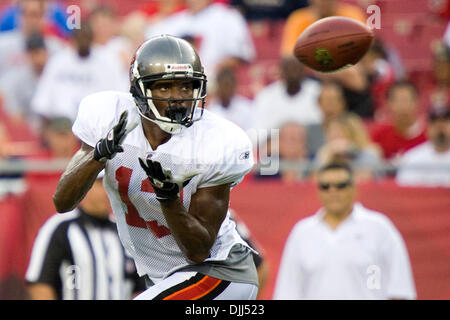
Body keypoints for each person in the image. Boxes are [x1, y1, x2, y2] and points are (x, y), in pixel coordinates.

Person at [52, 35, 259, 300]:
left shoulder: (216, 141)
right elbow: (62, 201)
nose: (179, 98)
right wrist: (99, 155)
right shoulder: (110, 116)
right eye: (165, 87)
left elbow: (199, 251)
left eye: (187, 87)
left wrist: (169, 199)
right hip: (167, 279)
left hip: (220, 274)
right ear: (140, 91)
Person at [273, 161, 417, 300]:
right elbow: (288, 292)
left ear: (353, 188)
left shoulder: (379, 228)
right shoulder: (302, 233)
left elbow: (400, 289)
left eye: (340, 186)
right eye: (325, 186)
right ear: (318, 191)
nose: (333, 191)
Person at [25, 171, 146, 299]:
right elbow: (40, 284)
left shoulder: (124, 232)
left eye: (111, 185)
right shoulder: (60, 228)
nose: (109, 191)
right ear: (84, 187)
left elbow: (138, 289)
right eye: (101, 184)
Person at [30, 22, 128, 125]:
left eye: (86, 37)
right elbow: (42, 103)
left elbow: (122, 98)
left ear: (92, 38)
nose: (83, 41)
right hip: (63, 126)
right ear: (73, 40)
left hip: (99, 125)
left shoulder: (109, 60)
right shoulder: (59, 60)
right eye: (80, 38)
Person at [145, 0, 255, 79]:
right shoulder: (173, 21)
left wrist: (210, 71)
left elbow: (238, 56)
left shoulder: (228, 17)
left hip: (214, 80)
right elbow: (149, 48)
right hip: (176, 79)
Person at [253, 55, 322, 131]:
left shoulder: (318, 91)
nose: (292, 73)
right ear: (281, 71)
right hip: (277, 141)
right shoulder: (266, 95)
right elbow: (259, 130)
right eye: (288, 69)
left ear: (303, 70)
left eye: (295, 68)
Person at [280, 0, 366, 55]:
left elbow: (363, 49)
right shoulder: (298, 19)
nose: (324, 2)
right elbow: (289, 55)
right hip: (310, 76)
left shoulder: (353, 15)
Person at [0, 0, 63, 75]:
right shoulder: (3, 45)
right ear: (20, 15)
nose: (34, 20)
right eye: (30, 14)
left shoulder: (55, 49)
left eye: (38, 15)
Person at [0, 31, 48, 127]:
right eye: (31, 54)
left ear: (45, 52)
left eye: (38, 52)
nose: (36, 58)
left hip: (51, 126)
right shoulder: (20, 79)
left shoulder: (53, 73)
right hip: (29, 127)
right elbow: (14, 113)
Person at [314, 113, 383, 181]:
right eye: (330, 132)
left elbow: (364, 181)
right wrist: (328, 157)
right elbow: (315, 182)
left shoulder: (369, 152)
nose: (332, 137)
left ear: (353, 134)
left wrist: (349, 152)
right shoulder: (325, 152)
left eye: (338, 133)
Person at [370, 80, 427, 160]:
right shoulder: (379, 135)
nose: (403, 106)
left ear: (417, 102)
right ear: (388, 104)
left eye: (407, 100)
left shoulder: (429, 134)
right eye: (398, 101)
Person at [396, 107, 450, 187]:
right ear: (427, 128)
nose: (440, 127)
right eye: (435, 123)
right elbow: (406, 190)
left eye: (445, 123)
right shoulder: (413, 157)